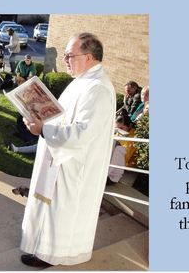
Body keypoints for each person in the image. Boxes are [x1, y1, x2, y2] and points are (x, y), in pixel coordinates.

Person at [19, 33, 116, 269]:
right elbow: (64, 116)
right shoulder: (83, 80)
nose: (65, 60)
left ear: (89, 57)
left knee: (60, 215)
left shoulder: (98, 89)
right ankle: (40, 249)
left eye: (69, 55)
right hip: (58, 159)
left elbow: (82, 132)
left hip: (73, 168)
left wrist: (43, 130)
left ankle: (53, 255)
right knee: (47, 211)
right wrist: (38, 115)